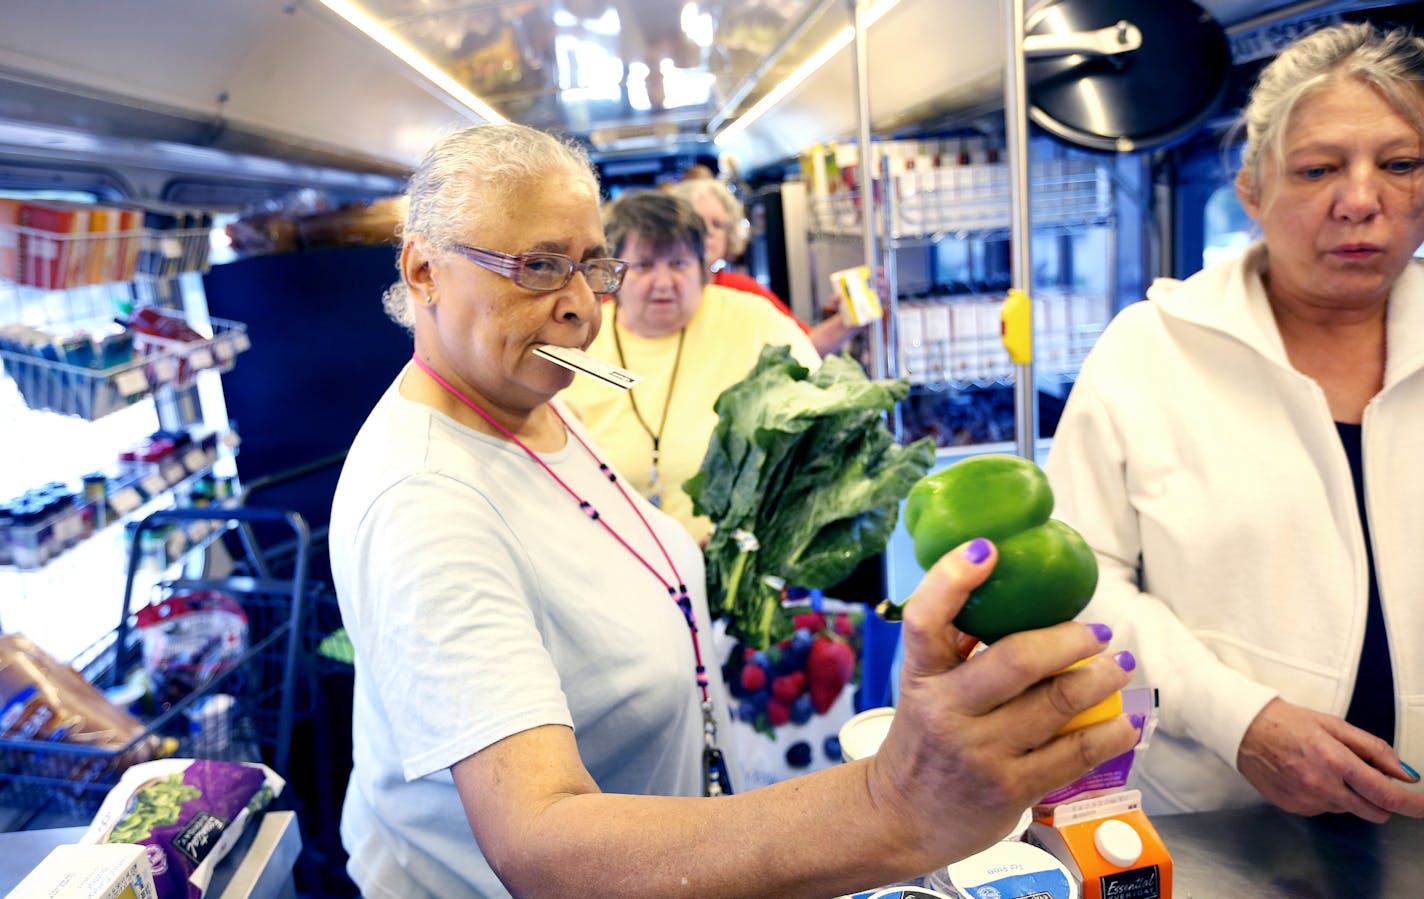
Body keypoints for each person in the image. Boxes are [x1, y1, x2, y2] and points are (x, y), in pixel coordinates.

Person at [328, 121, 1141, 898]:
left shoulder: (527, 394)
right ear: (424, 271)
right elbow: (540, 848)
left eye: (590, 266)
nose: (582, 305)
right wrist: (893, 802)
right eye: (538, 267)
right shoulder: (424, 502)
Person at [1045, 21, 1424, 823]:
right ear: (1250, 189)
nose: (1362, 200)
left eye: (1401, 164)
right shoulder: (1150, 353)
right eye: (1319, 168)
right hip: (1216, 817)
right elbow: (1082, 579)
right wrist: (1236, 718)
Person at [561, 190, 820, 543]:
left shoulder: (754, 321)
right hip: (612, 565)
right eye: (645, 265)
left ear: (702, 268)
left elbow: (822, 417)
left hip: (740, 568)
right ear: (613, 274)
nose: (664, 282)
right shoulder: (581, 341)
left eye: (680, 263)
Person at [670, 176, 864, 356]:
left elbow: (803, 346)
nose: (709, 233)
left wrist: (858, 308)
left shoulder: (742, 289)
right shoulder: (657, 291)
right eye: (699, 223)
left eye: (718, 225)